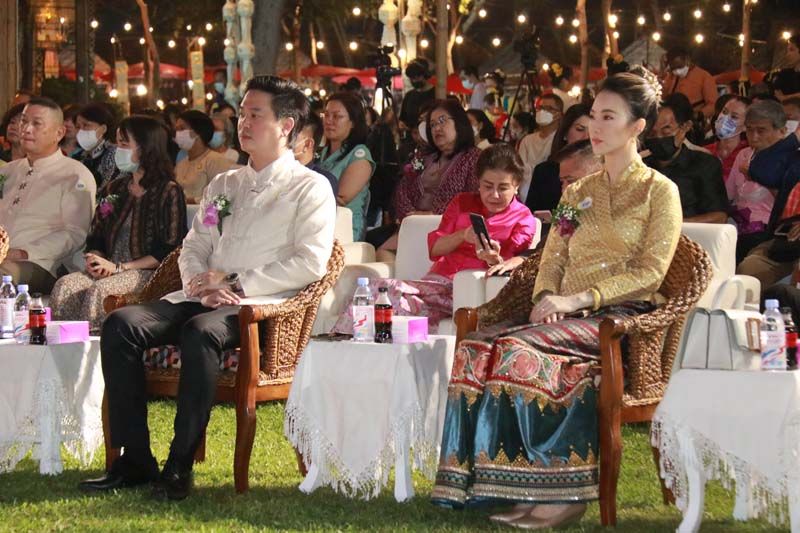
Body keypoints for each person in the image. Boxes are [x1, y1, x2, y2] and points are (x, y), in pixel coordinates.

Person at [431, 68, 682, 529]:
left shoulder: (659, 192)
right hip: (565, 316)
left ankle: (561, 495)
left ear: (637, 126)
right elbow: (552, 258)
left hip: (620, 319)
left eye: (609, 117)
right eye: (594, 115)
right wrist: (547, 296)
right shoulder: (578, 192)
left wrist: (578, 299)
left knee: (516, 349)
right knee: (474, 348)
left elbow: (651, 273)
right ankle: (495, 486)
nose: (596, 127)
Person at [79, 76, 336, 500]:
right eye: (243, 114)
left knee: (200, 331)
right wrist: (199, 282)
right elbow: (195, 244)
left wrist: (234, 283)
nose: (243, 123)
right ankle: (135, 458)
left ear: (287, 125)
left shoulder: (309, 187)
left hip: (258, 307)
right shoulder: (225, 185)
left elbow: (310, 262)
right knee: (121, 323)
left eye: (256, 115)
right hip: (201, 297)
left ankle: (179, 466)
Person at [334, 144, 537, 333]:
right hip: (437, 283)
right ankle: (345, 346)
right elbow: (435, 249)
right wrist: (463, 235)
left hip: (468, 289)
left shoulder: (523, 218)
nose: (494, 194)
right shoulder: (462, 202)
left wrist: (493, 259)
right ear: (478, 183)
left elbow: (513, 264)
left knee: (388, 292)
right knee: (382, 297)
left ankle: (343, 340)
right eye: (487, 186)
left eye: (503, 188)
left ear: (516, 185)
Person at [50, 116, 188, 333]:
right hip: (110, 267)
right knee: (65, 286)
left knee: (100, 291)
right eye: (118, 143)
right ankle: (59, 348)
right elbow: (97, 235)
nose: (118, 149)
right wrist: (97, 260)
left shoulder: (168, 190)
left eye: (124, 144)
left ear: (146, 148)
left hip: (146, 272)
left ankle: (96, 349)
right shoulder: (115, 188)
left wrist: (120, 268)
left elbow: (169, 248)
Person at [0, 97, 96, 293]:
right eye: (24, 121)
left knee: (4, 276)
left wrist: (23, 252)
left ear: (59, 133)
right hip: (5, 257)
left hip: (42, 263)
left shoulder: (74, 174)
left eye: (37, 123)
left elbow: (74, 234)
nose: (26, 129)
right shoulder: (8, 171)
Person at [377, 100, 481, 254]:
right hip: (414, 227)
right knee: (382, 253)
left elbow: (473, 199)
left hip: (449, 231)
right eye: (432, 125)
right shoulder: (424, 156)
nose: (437, 128)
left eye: (442, 121)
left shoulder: (474, 157)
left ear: (459, 122)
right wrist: (411, 217)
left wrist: (432, 215)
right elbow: (402, 190)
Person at [495, 139, 602, 276]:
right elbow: (547, 247)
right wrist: (522, 259)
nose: (565, 189)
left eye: (571, 181)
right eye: (562, 182)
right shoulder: (569, 211)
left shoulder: (621, 209)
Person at [644, 93, 728, 223]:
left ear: (685, 127)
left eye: (666, 131)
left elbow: (719, 216)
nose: (659, 137)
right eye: (652, 133)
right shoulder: (640, 167)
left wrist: (674, 226)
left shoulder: (704, 164)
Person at [726, 100, 790, 260]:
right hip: (738, 224)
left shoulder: (791, 160)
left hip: (769, 229)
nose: (754, 137)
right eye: (749, 130)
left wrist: (760, 177)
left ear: (782, 131)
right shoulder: (744, 155)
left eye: (761, 131)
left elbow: (788, 205)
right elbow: (729, 195)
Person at [318, 92, 376, 241]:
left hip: (343, 230)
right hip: (316, 222)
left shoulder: (359, 155)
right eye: (326, 115)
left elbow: (340, 199)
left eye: (337, 116)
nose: (329, 121)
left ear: (353, 123)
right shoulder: (320, 153)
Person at [526, 103, 592, 212]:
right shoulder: (544, 171)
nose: (587, 137)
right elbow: (532, 215)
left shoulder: (603, 171)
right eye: (580, 129)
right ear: (565, 133)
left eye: (593, 130)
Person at [174, 110, 239, 204]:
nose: (177, 133)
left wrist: (192, 200)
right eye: (176, 129)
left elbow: (223, 198)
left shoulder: (215, 160)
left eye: (182, 128)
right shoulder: (181, 164)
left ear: (197, 132)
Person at [518, 93, 564, 200]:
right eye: (540, 108)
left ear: (559, 114)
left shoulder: (560, 140)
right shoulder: (527, 140)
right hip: (526, 195)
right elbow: (520, 170)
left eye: (549, 108)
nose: (543, 111)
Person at [73, 102, 124, 188]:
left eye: (86, 125)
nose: (81, 131)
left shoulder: (114, 155)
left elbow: (108, 188)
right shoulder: (78, 157)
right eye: (78, 127)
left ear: (103, 129)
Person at [661, 46, 718, 119]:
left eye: (679, 66)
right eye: (673, 68)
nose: (677, 71)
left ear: (687, 60)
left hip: (693, 120)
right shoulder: (671, 76)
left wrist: (697, 115)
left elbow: (713, 105)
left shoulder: (705, 77)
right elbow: (664, 97)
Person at [705, 96, 750, 184]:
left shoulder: (748, 155)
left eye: (734, 117)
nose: (725, 118)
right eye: (724, 112)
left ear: (745, 126)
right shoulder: (705, 151)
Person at [292, 112, 338, 194]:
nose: (283, 138)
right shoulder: (277, 170)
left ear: (307, 144)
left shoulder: (323, 181)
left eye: (291, 136)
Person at [399, 58, 435, 132]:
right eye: (411, 78)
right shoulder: (409, 96)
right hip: (411, 137)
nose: (414, 81)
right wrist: (402, 125)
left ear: (425, 75)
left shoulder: (436, 94)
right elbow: (403, 119)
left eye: (417, 77)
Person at [766, 35, 800, 101]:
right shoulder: (784, 74)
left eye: (791, 50)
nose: (787, 54)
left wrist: (786, 98)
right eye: (787, 51)